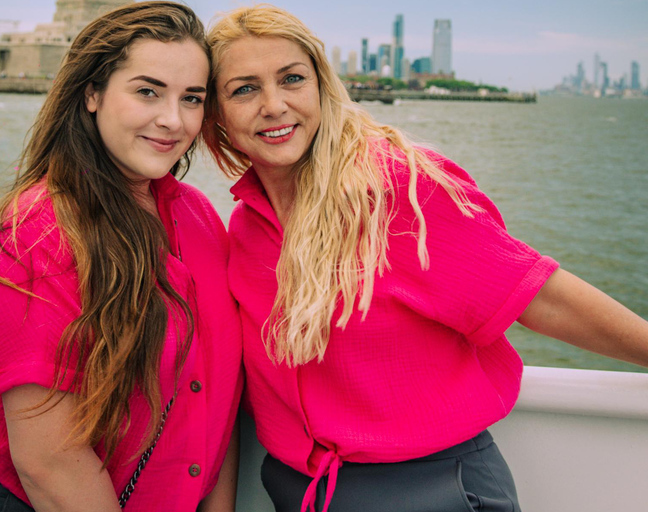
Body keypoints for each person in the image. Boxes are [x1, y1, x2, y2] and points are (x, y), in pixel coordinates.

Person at [202, 5, 648, 512]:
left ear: (321, 87)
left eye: (292, 79)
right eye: (244, 89)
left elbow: (541, 299)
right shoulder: (243, 228)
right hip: (296, 489)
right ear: (215, 113)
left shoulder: (400, 192)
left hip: (430, 490)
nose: (275, 105)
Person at [0, 3, 242, 511]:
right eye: (147, 91)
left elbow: (214, 394)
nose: (173, 120)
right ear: (92, 92)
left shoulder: (197, 217)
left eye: (191, 98)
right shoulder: (39, 233)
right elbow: (50, 463)